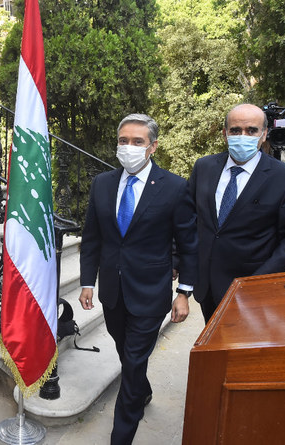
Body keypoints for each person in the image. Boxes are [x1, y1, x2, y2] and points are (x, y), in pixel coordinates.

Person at [79, 113, 198, 444]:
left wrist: (184, 292)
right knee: (126, 350)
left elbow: (189, 244)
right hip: (113, 292)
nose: (128, 147)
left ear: (153, 146)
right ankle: (142, 390)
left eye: (137, 142)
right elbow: (92, 239)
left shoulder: (174, 187)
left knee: (132, 362)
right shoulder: (102, 184)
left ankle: (123, 432)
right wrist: (88, 282)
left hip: (150, 291)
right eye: (123, 141)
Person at [188, 103, 285, 323]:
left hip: (253, 289)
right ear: (225, 134)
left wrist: (258, 281)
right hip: (207, 285)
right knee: (214, 353)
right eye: (235, 130)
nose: (243, 136)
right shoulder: (204, 167)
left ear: (263, 135)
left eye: (251, 130)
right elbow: (189, 218)